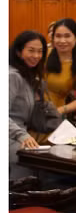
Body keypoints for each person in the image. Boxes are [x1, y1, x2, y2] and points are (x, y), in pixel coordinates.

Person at [9, 30, 55, 178]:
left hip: (23, 133)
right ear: (18, 52)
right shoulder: (11, 76)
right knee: (39, 162)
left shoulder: (29, 76)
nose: (36, 56)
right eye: (31, 51)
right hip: (11, 136)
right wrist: (22, 136)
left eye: (40, 52)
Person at [43, 18, 76, 116]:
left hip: (54, 115)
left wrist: (60, 110)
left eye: (67, 36)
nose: (62, 40)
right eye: (58, 36)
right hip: (30, 112)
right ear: (52, 38)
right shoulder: (42, 55)